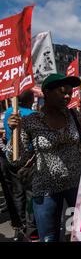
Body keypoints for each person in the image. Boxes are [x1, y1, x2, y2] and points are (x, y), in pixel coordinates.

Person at [6, 74, 81, 242]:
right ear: (47, 92)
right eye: (62, 92)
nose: (67, 97)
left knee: (77, 233)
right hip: (46, 190)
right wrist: (15, 132)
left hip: (76, 188)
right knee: (49, 237)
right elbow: (16, 160)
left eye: (70, 93)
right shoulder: (31, 121)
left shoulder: (74, 116)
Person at [3, 89, 38, 241]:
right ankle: (31, 228)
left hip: (12, 159)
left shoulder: (9, 111)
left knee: (17, 194)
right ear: (30, 100)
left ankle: (20, 226)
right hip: (28, 160)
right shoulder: (32, 115)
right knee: (30, 195)